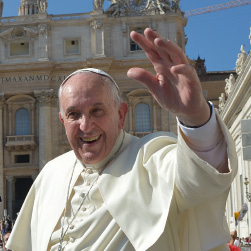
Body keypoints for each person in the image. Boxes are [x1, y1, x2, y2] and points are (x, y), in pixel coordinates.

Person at [6, 28, 237, 250]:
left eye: (97, 111)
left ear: (120, 114)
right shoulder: (51, 173)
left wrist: (195, 116)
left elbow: (202, 179)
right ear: (62, 121)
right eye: (74, 114)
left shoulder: (152, 158)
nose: (86, 126)